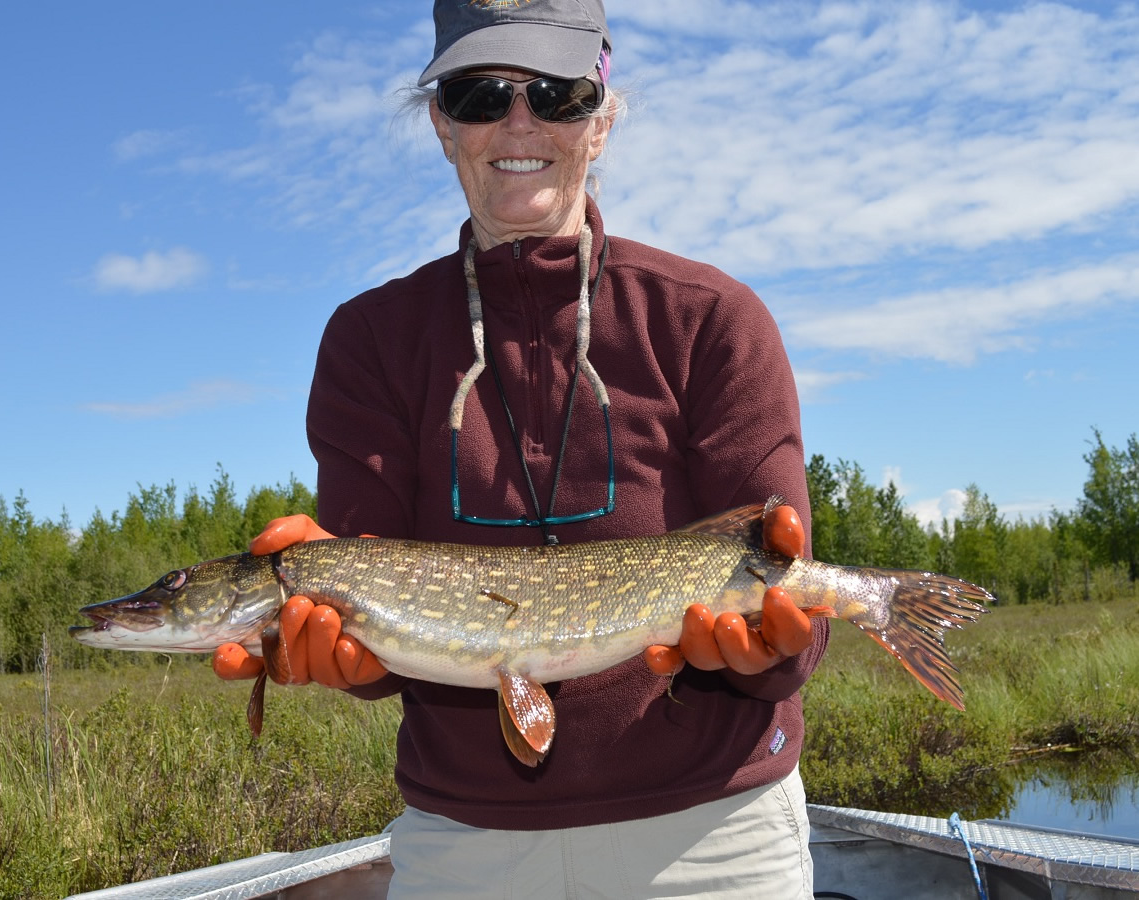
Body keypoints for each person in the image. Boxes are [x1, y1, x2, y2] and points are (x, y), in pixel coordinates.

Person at [214, 1, 827, 896]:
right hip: (466, 843)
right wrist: (345, 659)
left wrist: (775, 648)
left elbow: (782, 584)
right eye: (479, 93)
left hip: (713, 834)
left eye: (557, 91)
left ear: (603, 116)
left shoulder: (712, 321)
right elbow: (384, 641)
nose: (518, 121)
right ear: (441, 124)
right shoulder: (370, 341)